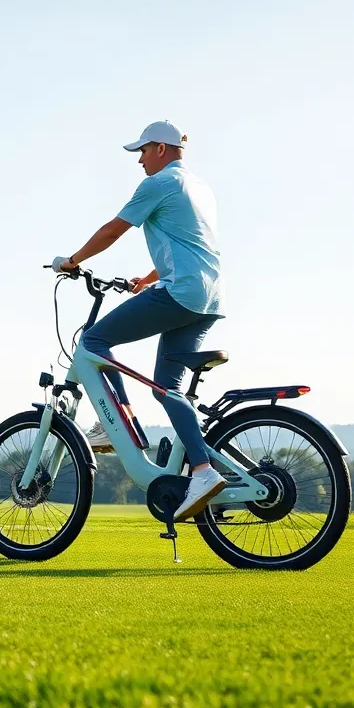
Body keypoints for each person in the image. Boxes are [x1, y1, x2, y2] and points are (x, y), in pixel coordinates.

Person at [52, 120, 226, 521]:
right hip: (208, 296)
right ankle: (202, 469)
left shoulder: (158, 183)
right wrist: (148, 279)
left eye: (143, 152)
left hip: (180, 292)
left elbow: (114, 230)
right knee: (167, 388)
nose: (140, 161)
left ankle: (118, 425)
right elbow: (188, 241)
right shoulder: (200, 187)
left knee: (93, 342)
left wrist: (73, 261)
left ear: (161, 149)